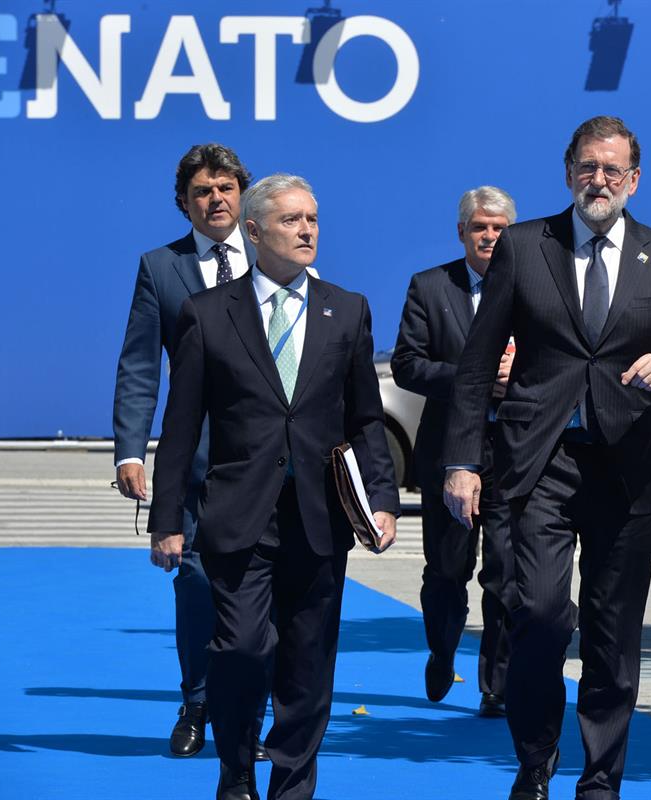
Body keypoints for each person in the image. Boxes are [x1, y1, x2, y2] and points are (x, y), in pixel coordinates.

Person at [442, 116, 651, 800]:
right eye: (588, 168)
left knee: (612, 634)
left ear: (634, 180)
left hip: (624, 468)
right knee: (536, 614)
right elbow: (476, 365)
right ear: (568, 173)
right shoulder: (526, 246)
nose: (600, 180)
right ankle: (535, 761)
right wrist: (462, 462)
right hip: (539, 463)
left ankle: (600, 781)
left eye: (613, 170)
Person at [147, 174, 399, 800]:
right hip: (237, 514)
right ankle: (236, 773)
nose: (307, 229)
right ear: (254, 232)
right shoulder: (207, 313)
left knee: (308, 665)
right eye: (291, 220)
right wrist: (167, 518)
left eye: (313, 218)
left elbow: (367, 418)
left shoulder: (348, 308)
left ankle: (293, 786)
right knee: (241, 648)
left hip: (320, 517)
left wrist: (384, 500)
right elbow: (181, 427)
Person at [112, 143, 270, 760]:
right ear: (184, 202)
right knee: (198, 584)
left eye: (226, 188)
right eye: (203, 191)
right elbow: (139, 366)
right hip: (197, 458)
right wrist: (130, 450)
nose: (216, 200)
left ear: (244, 196)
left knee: (265, 589)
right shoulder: (161, 267)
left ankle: (251, 719)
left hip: (269, 456)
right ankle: (198, 703)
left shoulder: (273, 255)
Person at [391, 185, 518, 717]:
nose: (489, 236)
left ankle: (497, 683)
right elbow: (407, 365)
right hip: (450, 454)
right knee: (447, 571)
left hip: (514, 453)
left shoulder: (533, 283)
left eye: (498, 227)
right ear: (462, 232)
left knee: (507, 572)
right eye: (479, 227)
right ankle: (442, 652)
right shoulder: (430, 286)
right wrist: (475, 377)